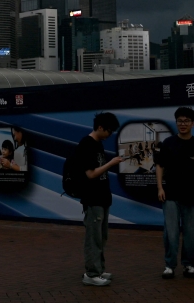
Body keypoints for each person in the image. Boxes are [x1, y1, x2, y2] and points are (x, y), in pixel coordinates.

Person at [154, 107, 194, 279]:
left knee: (193, 234)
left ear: (193, 123)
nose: (182, 124)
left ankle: (190, 265)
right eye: (179, 121)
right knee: (171, 232)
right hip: (170, 194)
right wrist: (160, 188)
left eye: (186, 121)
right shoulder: (169, 143)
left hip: (192, 195)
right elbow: (160, 165)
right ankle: (169, 265)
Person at [74, 112, 124, 287]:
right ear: (100, 127)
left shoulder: (98, 144)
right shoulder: (87, 145)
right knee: (93, 237)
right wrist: (111, 164)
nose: (110, 135)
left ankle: (99, 269)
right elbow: (91, 173)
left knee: (102, 236)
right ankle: (91, 273)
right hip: (93, 198)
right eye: (109, 131)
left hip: (102, 197)